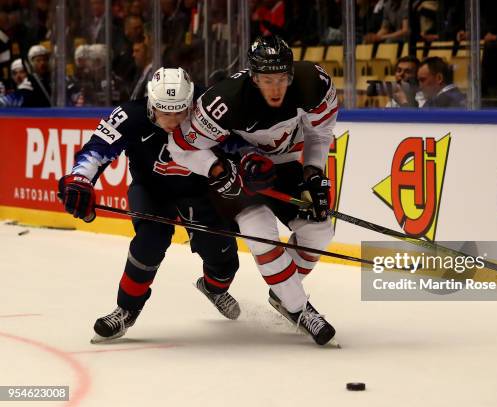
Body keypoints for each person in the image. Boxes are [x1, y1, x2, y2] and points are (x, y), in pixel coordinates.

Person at [168, 36, 337, 346]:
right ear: (253, 76)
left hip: (284, 165)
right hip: (238, 171)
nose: (275, 88)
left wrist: (313, 171)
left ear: (291, 75)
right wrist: (219, 170)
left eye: (281, 79)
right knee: (259, 228)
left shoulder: (315, 82)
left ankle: (283, 294)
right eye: (267, 80)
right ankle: (300, 309)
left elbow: (320, 132)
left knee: (321, 231)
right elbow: (179, 147)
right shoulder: (226, 100)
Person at [57, 67, 241, 343]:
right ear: (151, 104)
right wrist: (79, 180)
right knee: (149, 241)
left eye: (180, 112)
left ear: (192, 103)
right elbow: (96, 149)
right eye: (165, 113)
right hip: (151, 189)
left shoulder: (212, 106)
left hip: (201, 191)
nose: (173, 121)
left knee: (222, 257)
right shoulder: (129, 115)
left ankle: (214, 287)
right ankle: (126, 309)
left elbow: (243, 140)